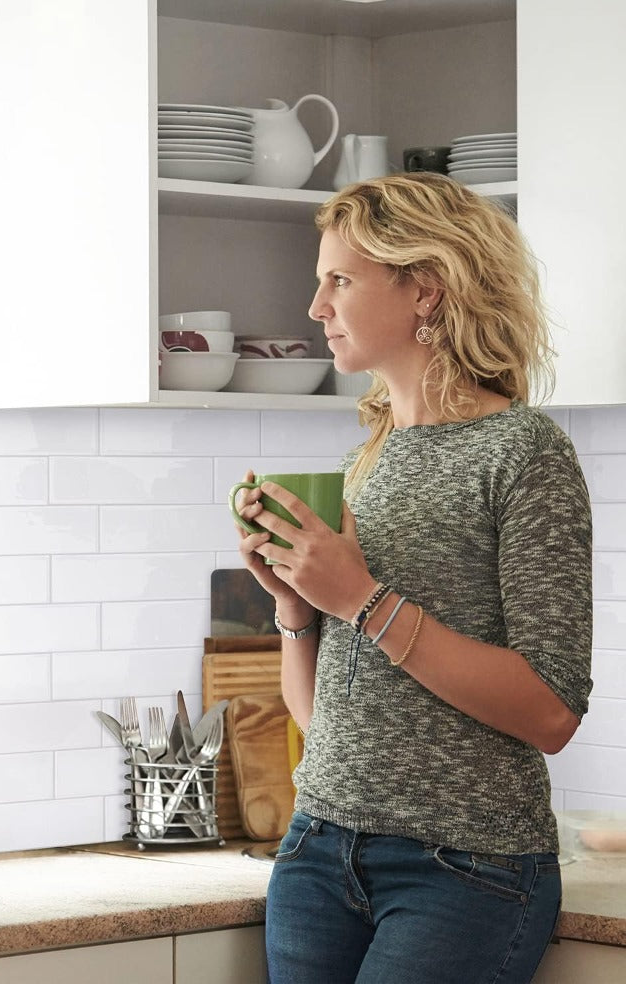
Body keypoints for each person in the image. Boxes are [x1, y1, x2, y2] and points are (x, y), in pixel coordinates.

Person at [233, 172, 593, 984]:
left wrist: (360, 600)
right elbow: (326, 726)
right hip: (317, 852)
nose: (316, 307)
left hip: (464, 870)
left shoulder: (524, 454)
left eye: (340, 280)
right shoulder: (368, 460)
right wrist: (297, 610)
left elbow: (552, 711)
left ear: (425, 289)